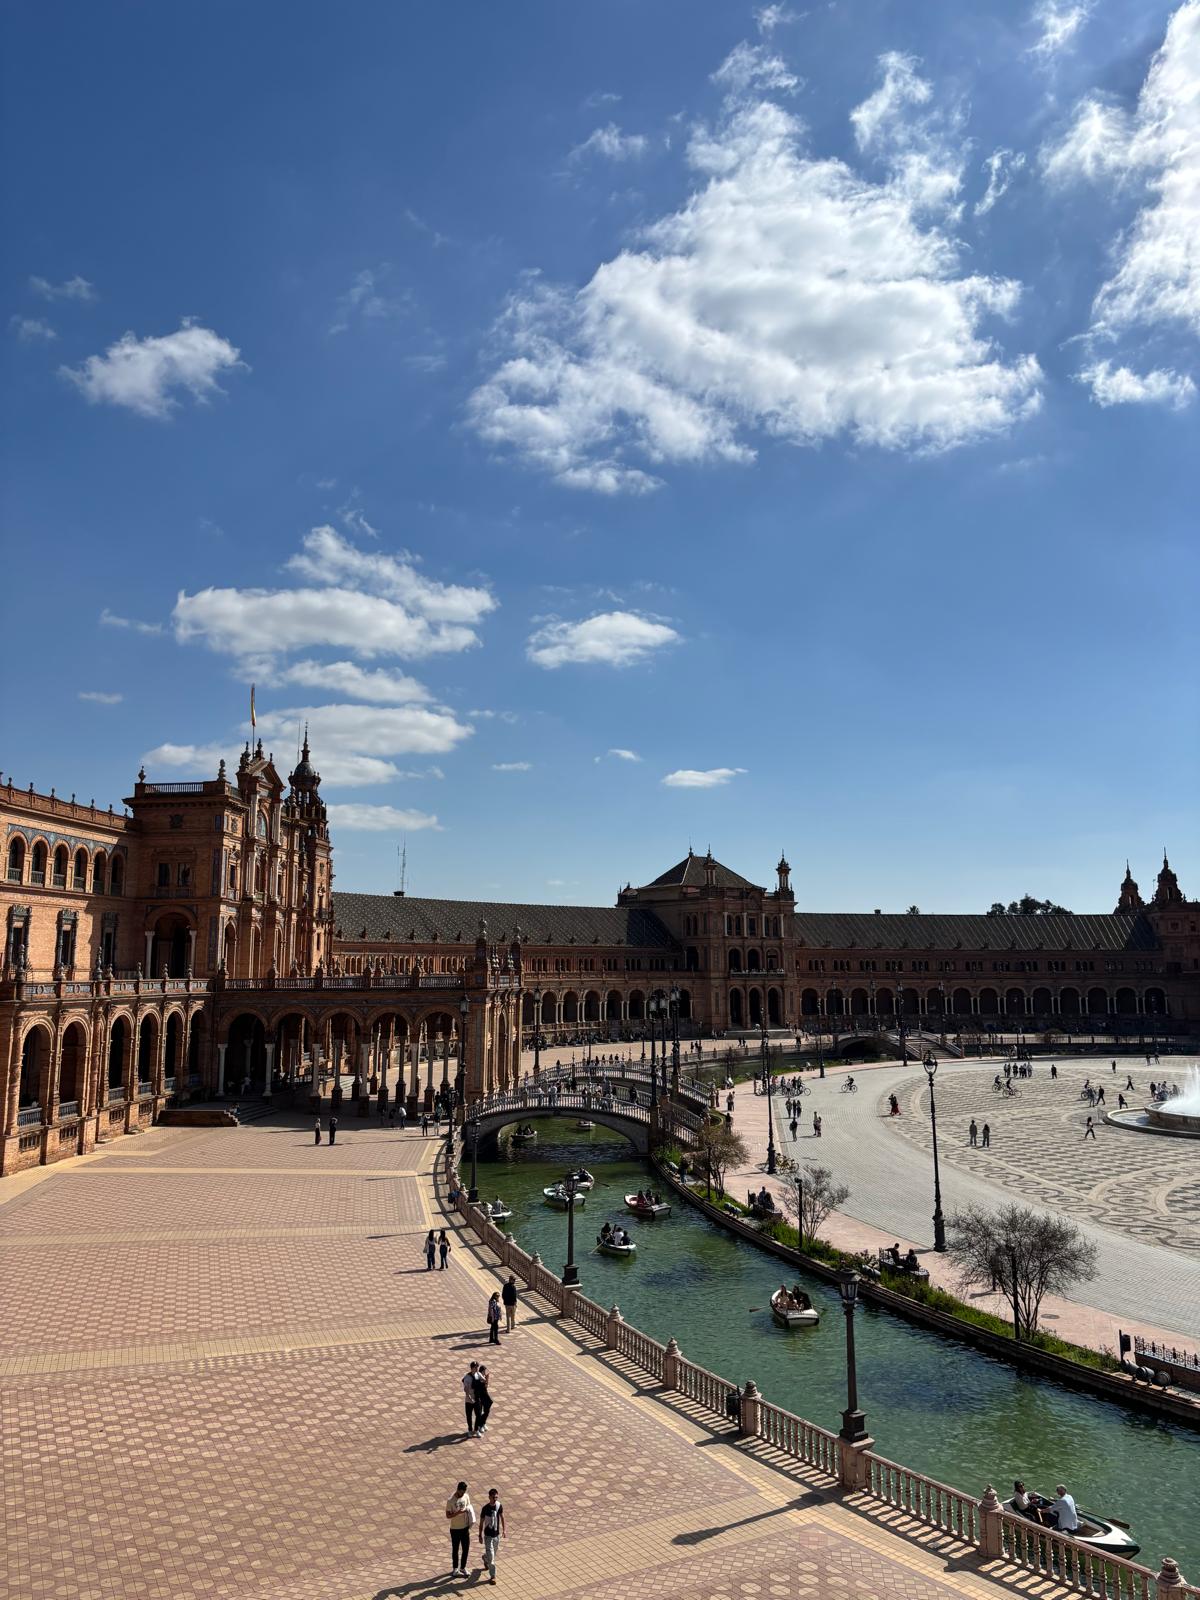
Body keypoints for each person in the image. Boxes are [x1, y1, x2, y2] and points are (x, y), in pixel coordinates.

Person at [446, 1481, 474, 1575]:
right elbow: (448, 1515)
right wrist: (457, 1513)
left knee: (466, 1548)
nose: (462, 1494)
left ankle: (463, 1567)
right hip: (455, 1529)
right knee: (455, 1549)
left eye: (464, 1492)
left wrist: (468, 1511)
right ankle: (455, 1568)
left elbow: (469, 1506)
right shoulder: (450, 1500)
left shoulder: (466, 1496)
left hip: (465, 1527)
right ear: (457, 1489)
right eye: (461, 1492)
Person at [479, 1487, 505, 1585]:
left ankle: (485, 1558)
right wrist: (480, 1535)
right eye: (493, 1497)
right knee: (492, 1557)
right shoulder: (485, 1509)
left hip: (496, 1535)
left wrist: (504, 1530)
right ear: (489, 1497)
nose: (495, 1499)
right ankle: (493, 1576)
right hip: (488, 1537)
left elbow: (502, 1517)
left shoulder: (499, 1506)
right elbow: (481, 1523)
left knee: (493, 1552)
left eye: (496, 1497)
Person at [462, 1363, 480, 1437]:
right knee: (469, 1415)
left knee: (478, 1415)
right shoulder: (467, 1377)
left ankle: (476, 1430)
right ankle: (470, 1430)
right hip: (469, 1400)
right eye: (476, 1368)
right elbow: (466, 1389)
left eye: (477, 1367)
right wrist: (469, 1397)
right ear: (472, 1368)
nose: (477, 1369)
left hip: (477, 1398)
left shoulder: (478, 1375)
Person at [474, 1365, 493, 1434]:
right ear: (481, 1371)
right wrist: (486, 1379)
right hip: (480, 1397)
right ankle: (480, 1426)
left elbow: (486, 1386)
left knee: (487, 1409)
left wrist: (487, 1378)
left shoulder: (483, 1378)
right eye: (484, 1371)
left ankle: (483, 1423)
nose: (485, 1373)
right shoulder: (478, 1378)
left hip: (484, 1395)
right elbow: (484, 1385)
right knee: (480, 1412)